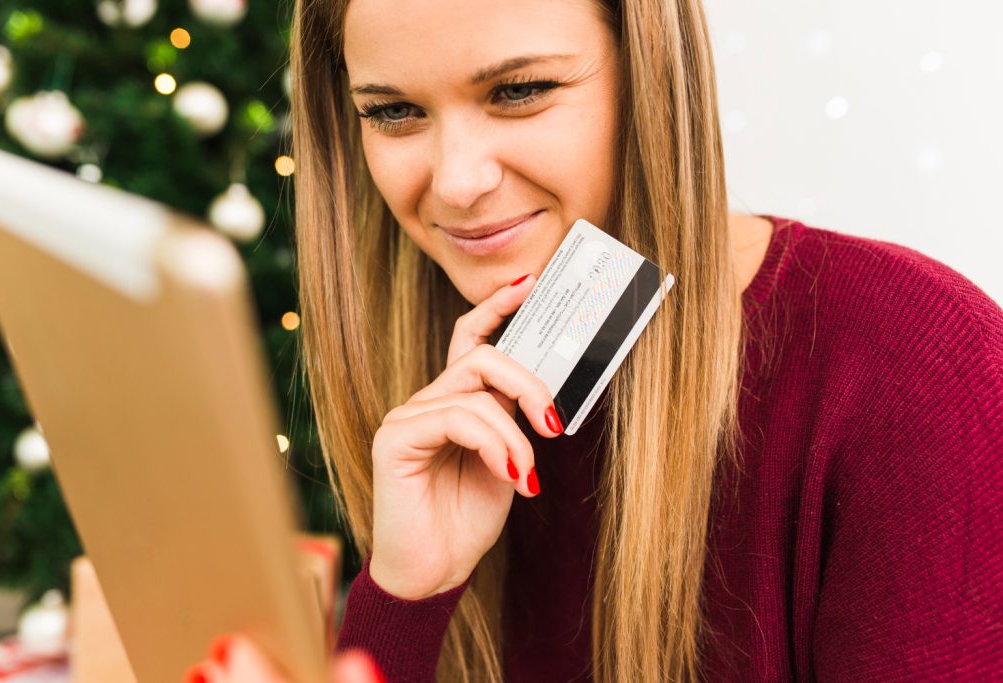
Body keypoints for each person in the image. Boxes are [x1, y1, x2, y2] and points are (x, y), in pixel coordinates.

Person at [204, 0, 1003, 680]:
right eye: (393, 112)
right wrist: (408, 596)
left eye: (519, 90)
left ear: (648, 76)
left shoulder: (919, 366)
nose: (455, 182)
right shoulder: (441, 410)